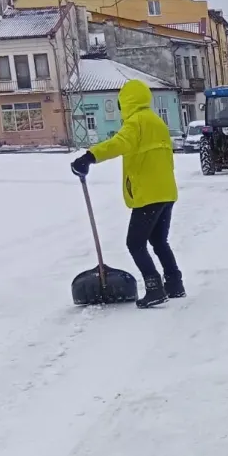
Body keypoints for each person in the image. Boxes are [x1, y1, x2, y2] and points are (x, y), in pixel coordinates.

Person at [70, 78, 183, 309]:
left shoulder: (135, 122)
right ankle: (174, 283)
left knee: (135, 243)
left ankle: (154, 288)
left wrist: (89, 157)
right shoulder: (156, 121)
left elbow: (119, 143)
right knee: (159, 241)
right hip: (166, 192)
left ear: (126, 102)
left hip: (148, 193)